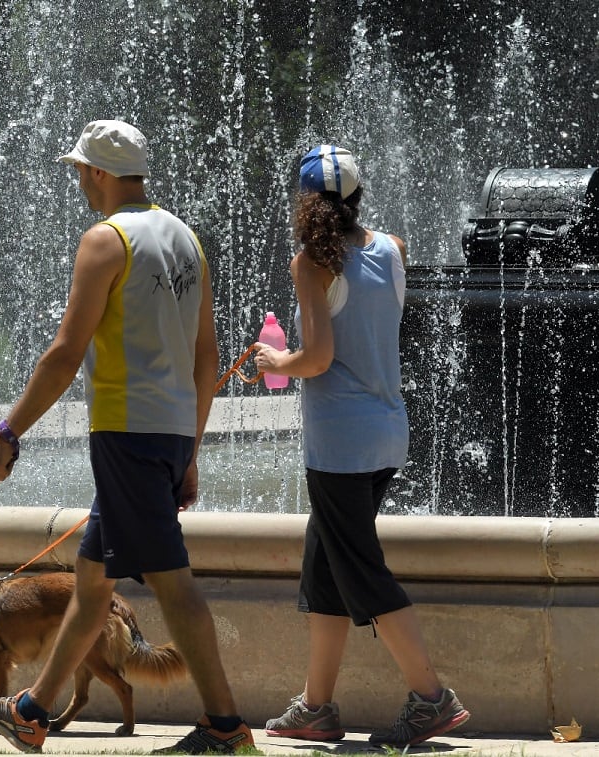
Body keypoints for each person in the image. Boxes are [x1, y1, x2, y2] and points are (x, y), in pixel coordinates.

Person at [0, 119, 253, 755]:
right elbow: (208, 358)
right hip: (169, 431)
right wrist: (192, 451)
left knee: (172, 583)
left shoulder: (105, 240)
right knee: (93, 580)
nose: (77, 179)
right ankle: (33, 711)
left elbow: (66, 353)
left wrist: (9, 432)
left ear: (97, 172)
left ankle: (227, 728)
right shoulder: (186, 239)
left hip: (127, 431)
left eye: (79, 169)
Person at [252, 145, 470, 748]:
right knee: (325, 567)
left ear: (307, 202)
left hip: (338, 444)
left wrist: (275, 360)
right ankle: (316, 707)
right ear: (356, 198)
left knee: (362, 571)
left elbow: (317, 358)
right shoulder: (392, 249)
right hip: (386, 432)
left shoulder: (311, 264)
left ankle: (432, 699)